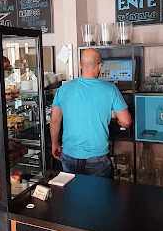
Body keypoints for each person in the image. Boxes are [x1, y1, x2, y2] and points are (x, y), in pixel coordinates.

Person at [50, 49, 132, 178]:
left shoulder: (63, 89)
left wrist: (54, 143)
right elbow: (126, 121)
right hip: (97, 158)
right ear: (99, 66)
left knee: (73, 195)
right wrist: (117, 119)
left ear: (81, 65)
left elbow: (55, 120)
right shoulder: (110, 89)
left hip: (69, 155)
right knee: (99, 196)